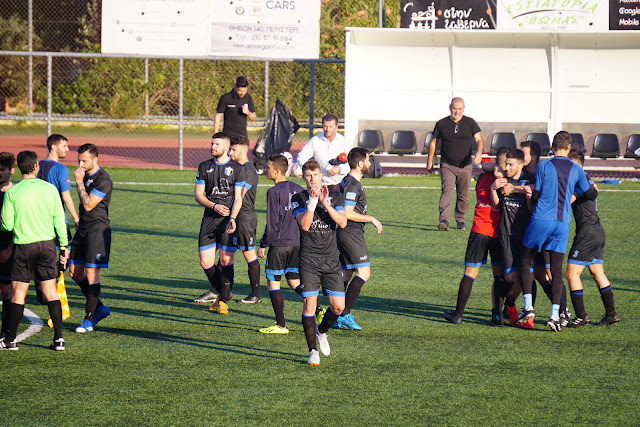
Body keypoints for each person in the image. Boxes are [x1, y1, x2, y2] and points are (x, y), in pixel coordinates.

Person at [517, 131, 597, 332]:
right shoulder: (576, 169)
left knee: (525, 261)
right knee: (556, 270)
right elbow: (589, 193)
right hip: (562, 223)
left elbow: (536, 194)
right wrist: (579, 191)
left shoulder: (544, 165)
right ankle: (555, 315)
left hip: (541, 219)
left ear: (552, 147)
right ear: (569, 148)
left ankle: (528, 308)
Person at [0, 151, 68, 351]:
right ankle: (59, 338)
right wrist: (64, 246)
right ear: (36, 166)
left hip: (24, 246)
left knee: (19, 293)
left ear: (19, 169)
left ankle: (10, 339)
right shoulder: (50, 189)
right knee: (50, 291)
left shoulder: (12, 193)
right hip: (47, 246)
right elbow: (59, 219)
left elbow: (7, 225)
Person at [291, 160, 347, 365]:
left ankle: (321, 331)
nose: (312, 178)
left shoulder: (336, 195)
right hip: (309, 260)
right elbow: (305, 225)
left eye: (315, 174)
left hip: (331, 260)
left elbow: (342, 222)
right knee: (309, 306)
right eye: (308, 175)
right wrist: (313, 203)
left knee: (338, 307)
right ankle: (312, 351)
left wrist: (325, 204)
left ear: (321, 175)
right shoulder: (297, 198)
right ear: (304, 177)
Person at [443, 147, 507, 325]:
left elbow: (483, 166)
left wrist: (494, 167)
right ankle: (497, 314)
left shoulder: (483, 177)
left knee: (470, 274)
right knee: (498, 275)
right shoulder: (506, 182)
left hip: (479, 230)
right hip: (497, 233)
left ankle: (458, 314)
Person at [193, 132, 246, 316]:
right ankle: (225, 293)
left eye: (216, 144)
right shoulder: (204, 166)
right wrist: (214, 206)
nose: (212, 147)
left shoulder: (237, 169)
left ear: (226, 147)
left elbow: (238, 198)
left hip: (228, 220)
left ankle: (222, 301)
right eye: (212, 144)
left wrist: (232, 218)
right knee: (205, 261)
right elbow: (198, 195)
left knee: (226, 260)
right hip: (209, 218)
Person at [565, 150, 620, 327]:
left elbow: (566, 202)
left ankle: (581, 316)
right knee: (597, 273)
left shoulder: (579, 182)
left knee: (572, 273)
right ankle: (611, 314)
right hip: (597, 231)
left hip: (587, 233)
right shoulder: (587, 180)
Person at [334, 147, 382, 330]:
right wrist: (371, 218)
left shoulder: (349, 181)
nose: (370, 163)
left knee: (346, 273)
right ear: (360, 163)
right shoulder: (353, 184)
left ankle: (335, 311)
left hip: (346, 233)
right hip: (351, 233)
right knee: (363, 273)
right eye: (368, 160)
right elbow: (347, 213)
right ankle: (343, 314)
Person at [257, 154, 305, 334]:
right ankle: (317, 310)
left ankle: (281, 325)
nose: (266, 170)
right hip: (297, 243)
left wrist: (263, 244)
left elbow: (273, 223)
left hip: (279, 244)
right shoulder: (299, 189)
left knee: (273, 283)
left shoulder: (273, 192)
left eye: (268, 168)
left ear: (277, 171)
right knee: (294, 281)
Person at [68, 143, 113, 333]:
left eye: (84, 161)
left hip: (97, 231)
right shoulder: (84, 175)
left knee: (92, 273)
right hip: (83, 229)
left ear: (95, 159)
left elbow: (88, 205)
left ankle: (88, 320)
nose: (80, 164)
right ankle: (100, 308)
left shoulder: (103, 179)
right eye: (79, 160)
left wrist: (79, 182)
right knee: (74, 273)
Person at [489, 149, 535, 329]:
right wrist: (493, 188)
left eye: (511, 165)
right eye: (506, 164)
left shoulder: (530, 180)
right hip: (506, 235)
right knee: (509, 278)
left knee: (528, 277)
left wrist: (526, 195)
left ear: (521, 164)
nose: (507, 168)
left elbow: (533, 207)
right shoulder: (502, 179)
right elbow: (496, 204)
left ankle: (527, 316)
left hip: (526, 237)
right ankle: (509, 308)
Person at [34, 134, 79, 304]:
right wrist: (76, 218)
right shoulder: (60, 169)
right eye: (64, 146)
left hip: (39, 220)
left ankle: (41, 291)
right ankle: (50, 290)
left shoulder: (37, 166)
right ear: (53, 147)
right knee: (65, 254)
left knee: (41, 254)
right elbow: (66, 197)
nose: (67, 149)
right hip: (56, 221)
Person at [428, 97, 484, 231]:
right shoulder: (442, 123)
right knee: (447, 191)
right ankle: (444, 220)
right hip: (447, 164)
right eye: (455, 109)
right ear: (450, 108)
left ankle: (460, 220)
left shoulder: (470, 123)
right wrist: (429, 161)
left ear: (463, 109)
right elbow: (433, 142)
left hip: (465, 165)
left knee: (463, 195)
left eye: (460, 109)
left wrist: (479, 153)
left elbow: (479, 140)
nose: (457, 112)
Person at [228, 136, 262, 304]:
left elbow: (239, 196)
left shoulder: (249, 171)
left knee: (248, 254)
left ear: (243, 150)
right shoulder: (235, 168)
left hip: (244, 218)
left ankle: (256, 294)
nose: (230, 152)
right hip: (233, 217)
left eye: (233, 149)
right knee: (226, 253)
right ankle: (219, 290)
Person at [294, 114, 351, 188]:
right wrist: (311, 171)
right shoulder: (315, 141)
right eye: (325, 126)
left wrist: (339, 169)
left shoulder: (344, 142)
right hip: (321, 185)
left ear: (336, 126)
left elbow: (352, 162)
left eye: (331, 126)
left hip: (342, 184)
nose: (327, 129)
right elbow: (301, 157)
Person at [0, 152, 15, 339]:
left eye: (2, 169)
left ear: (11, 171)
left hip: (8, 251)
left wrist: (9, 250)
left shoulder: (15, 194)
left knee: (7, 292)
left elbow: (19, 225)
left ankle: (5, 332)